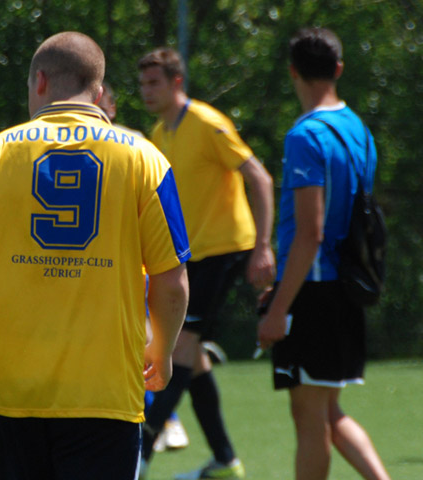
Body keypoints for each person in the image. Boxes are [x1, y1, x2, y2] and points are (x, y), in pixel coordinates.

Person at [0, 31, 191, 480]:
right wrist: (162, 352)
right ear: (99, 93)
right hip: (106, 395)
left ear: (40, 82)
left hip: (14, 397)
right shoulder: (146, 160)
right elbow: (172, 282)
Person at [257, 28, 391, 480]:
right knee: (329, 409)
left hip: (313, 291)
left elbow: (310, 234)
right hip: (346, 286)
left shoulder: (306, 135)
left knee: (310, 416)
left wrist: (279, 308)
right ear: (338, 69)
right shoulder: (359, 130)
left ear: (293, 71)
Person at [137, 47, 276, 480]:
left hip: (224, 250)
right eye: (142, 84)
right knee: (192, 358)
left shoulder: (208, 122)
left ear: (177, 82)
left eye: (154, 83)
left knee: (179, 347)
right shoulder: (158, 133)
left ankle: (139, 457)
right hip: (190, 258)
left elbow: (259, 177)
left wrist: (263, 246)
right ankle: (225, 460)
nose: (146, 91)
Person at [98, 80, 190, 453]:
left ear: (111, 107)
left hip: (129, 270)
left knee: (138, 345)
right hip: (98, 272)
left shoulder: (133, 145)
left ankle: (165, 419)